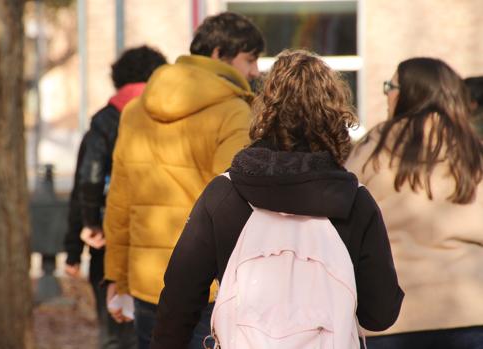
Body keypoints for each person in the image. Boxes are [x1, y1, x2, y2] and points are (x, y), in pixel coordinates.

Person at [149, 49, 403, 348]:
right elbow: (381, 313)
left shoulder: (225, 194)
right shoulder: (355, 202)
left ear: (265, 108)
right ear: (335, 114)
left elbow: (180, 299)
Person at [102, 11, 265, 349]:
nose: (255, 71)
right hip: (207, 288)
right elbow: (234, 208)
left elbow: (119, 200)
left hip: (147, 283)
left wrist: (116, 276)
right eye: (249, 59)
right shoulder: (234, 112)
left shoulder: (135, 111)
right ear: (219, 53)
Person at [346, 58, 483, 348]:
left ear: (413, 92)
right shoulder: (472, 150)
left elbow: (345, 215)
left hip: (392, 317)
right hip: (471, 309)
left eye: (391, 86)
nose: (387, 94)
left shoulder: (375, 147)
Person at [65, 45, 167, 349]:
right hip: (159, 233)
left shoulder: (104, 121)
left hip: (109, 238)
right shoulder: (167, 116)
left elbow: (87, 181)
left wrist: (79, 238)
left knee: (114, 326)